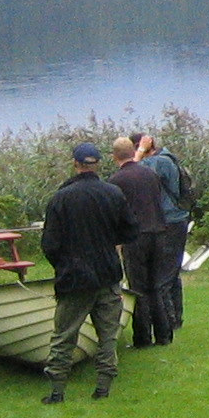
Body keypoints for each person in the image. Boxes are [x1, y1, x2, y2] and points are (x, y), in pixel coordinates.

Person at [40, 141, 138, 401]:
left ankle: (57, 391)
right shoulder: (113, 193)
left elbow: (50, 244)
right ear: (98, 164)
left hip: (74, 278)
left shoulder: (61, 198)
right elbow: (130, 231)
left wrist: (62, 266)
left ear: (75, 164)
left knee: (64, 336)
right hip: (107, 274)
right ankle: (103, 388)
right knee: (107, 336)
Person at [108, 136, 171, 347]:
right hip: (159, 232)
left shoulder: (116, 181)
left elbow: (118, 215)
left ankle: (142, 338)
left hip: (136, 238)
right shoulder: (151, 174)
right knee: (156, 285)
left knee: (138, 288)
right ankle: (164, 334)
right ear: (133, 151)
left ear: (114, 156)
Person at [137, 132, 192, 338]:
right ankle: (175, 317)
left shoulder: (158, 163)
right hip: (176, 219)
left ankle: (169, 320)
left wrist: (139, 152)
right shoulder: (167, 158)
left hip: (170, 221)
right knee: (171, 272)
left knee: (164, 276)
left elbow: (131, 173)